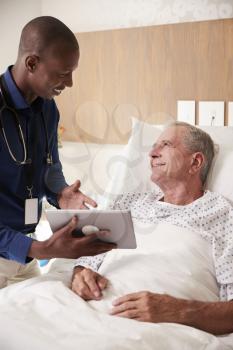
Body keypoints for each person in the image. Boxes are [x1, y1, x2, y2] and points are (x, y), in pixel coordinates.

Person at [71, 122, 233, 335]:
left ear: (195, 162)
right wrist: (80, 274)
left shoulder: (224, 217)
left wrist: (179, 311)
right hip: (87, 312)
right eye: (154, 145)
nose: (152, 153)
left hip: (161, 329)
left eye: (165, 144)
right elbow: (86, 260)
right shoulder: (125, 203)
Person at [0, 16, 115, 288]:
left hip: (24, 257)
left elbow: (50, 167)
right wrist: (43, 249)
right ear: (32, 63)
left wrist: (61, 193)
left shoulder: (47, 109)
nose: (71, 83)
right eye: (63, 73)